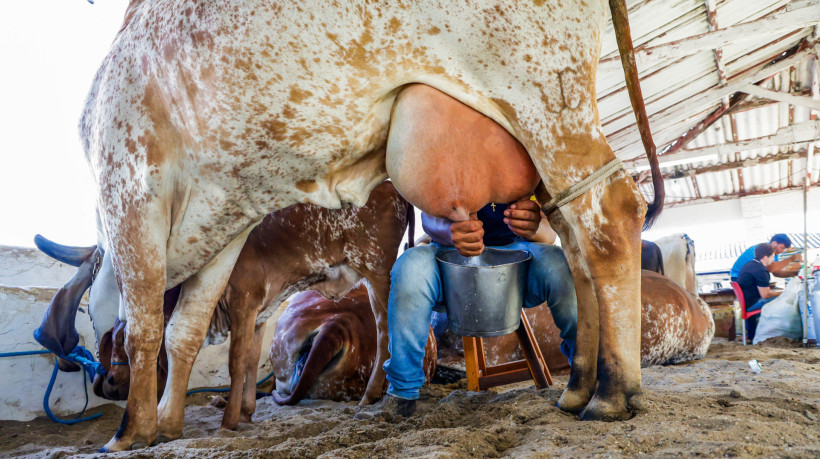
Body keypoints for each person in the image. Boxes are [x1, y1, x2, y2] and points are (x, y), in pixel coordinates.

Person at [357, 196, 577, 419]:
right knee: (409, 268)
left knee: (559, 264)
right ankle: (401, 396)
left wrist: (535, 226)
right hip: (447, 254)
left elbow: (550, 232)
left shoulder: (525, 162)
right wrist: (448, 230)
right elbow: (427, 214)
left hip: (519, 254)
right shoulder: (439, 160)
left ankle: (584, 377)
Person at [736, 243, 782, 340]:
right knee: (783, 299)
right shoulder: (761, 270)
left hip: (747, 301)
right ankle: (777, 333)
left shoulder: (749, 265)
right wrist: (783, 293)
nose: (773, 259)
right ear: (765, 257)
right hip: (752, 304)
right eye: (773, 257)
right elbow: (765, 295)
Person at [730, 234, 801, 281]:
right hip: (738, 278)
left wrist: (796, 273)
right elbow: (772, 268)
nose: (782, 251)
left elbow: (776, 272)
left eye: (784, 249)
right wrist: (791, 259)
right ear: (774, 243)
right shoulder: (764, 249)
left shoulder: (774, 253)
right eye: (781, 248)